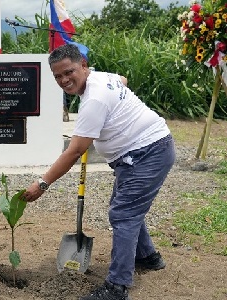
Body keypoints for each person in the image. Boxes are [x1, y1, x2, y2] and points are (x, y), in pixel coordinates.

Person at [21, 44, 175, 300]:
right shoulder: (103, 77)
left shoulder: (93, 100)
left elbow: (74, 151)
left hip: (147, 153)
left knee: (124, 213)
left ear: (83, 65)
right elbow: (122, 80)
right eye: (57, 76)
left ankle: (117, 287)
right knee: (126, 207)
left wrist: (42, 184)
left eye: (68, 72)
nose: (64, 80)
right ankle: (147, 257)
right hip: (142, 152)